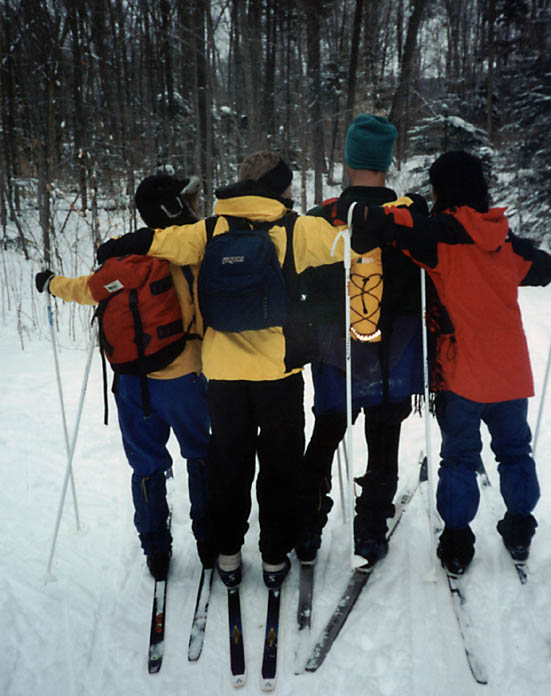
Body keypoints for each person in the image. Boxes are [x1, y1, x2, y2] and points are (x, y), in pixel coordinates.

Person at [94, 151, 349, 590]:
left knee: (229, 465)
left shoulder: (209, 229)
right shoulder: (300, 228)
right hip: (278, 372)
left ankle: (228, 555)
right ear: (279, 187)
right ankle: (273, 557)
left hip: (224, 375)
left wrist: (115, 247)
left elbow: (156, 241)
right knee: (278, 465)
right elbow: (352, 246)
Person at [340, 149, 551, 574]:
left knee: (458, 457)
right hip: (511, 374)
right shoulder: (505, 240)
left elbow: (377, 222)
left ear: (440, 188)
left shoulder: (438, 234)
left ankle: (456, 542)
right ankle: (521, 527)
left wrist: (358, 207)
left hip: (461, 375)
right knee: (515, 452)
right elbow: (542, 268)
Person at [35, 174, 214, 581]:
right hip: (183, 378)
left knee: (147, 465)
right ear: (174, 208)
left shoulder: (121, 262)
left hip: (131, 383)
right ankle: (208, 538)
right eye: (187, 198)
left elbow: (87, 290)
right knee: (201, 455)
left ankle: (155, 549)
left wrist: (51, 283)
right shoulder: (188, 254)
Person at [295, 113, 425, 567]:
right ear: (386, 162)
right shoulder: (407, 217)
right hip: (396, 353)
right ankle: (370, 530)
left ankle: (307, 526)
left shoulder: (322, 218)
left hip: (335, 353)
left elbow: (304, 280)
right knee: (384, 437)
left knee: (325, 436)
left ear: (349, 160)